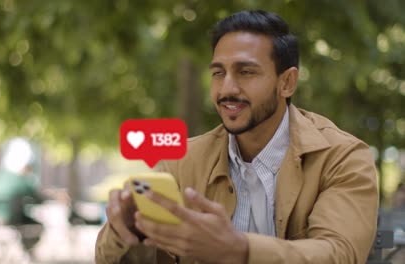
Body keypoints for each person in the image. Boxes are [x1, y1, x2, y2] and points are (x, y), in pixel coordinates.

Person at [95, 10, 378, 263]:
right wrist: (127, 232)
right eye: (218, 73)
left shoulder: (343, 158)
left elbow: (339, 254)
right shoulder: (180, 162)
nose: (226, 88)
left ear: (287, 82)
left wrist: (240, 250)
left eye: (246, 72)